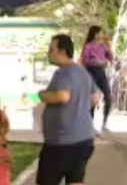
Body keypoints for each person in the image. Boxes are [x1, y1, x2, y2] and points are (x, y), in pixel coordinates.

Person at [36, 34, 98, 185]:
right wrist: (79, 110)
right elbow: (95, 98)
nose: (48, 53)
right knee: (76, 179)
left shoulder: (63, 72)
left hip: (61, 142)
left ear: (62, 52)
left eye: (51, 50)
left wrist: (42, 95)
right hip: (84, 139)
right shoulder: (82, 72)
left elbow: (63, 96)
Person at [80, 25, 112, 131]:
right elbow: (84, 60)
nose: (102, 34)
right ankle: (90, 125)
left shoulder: (103, 46)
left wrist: (108, 45)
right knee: (93, 99)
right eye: (100, 32)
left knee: (108, 96)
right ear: (95, 34)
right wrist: (96, 62)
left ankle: (105, 123)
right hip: (91, 73)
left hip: (101, 73)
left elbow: (111, 58)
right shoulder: (88, 46)